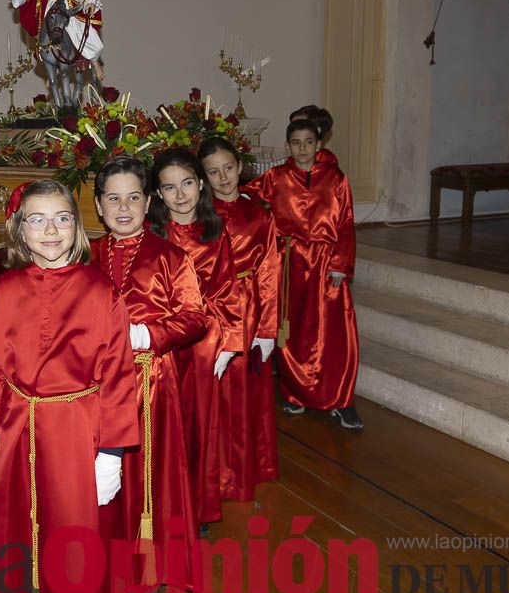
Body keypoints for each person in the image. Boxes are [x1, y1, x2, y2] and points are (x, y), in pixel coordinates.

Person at [0, 180, 137, 593]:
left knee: (74, 533)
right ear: (20, 230)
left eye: (62, 219)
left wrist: (112, 454)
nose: (50, 230)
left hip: (78, 431)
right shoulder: (5, 289)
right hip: (16, 428)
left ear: (77, 227)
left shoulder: (101, 290)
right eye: (37, 220)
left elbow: (119, 373)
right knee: (16, 530)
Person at [90, 157, 206, 593]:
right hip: (95, 386)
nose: (124, 207)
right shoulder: (87, 255)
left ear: (149, 201)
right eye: (113, 198)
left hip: (149, 383)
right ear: (99, 206)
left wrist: (149, 336)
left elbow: (195, 318)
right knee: (99, 476)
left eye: (133, 197)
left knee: (145, 475)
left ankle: (146, 572)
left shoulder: (170, 256)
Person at [146, 148, 244, 536]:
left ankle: (200, 504)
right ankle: (165, 500)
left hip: (203, 345)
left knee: (200, 425)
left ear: (200, 185)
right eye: (169, 187)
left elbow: (227, 292)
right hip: (164, 345)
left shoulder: (213, 232)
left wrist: (227, 343)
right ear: (158, 193)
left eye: (187, 184)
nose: (180, 195)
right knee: (166, 426)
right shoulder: (153, 235)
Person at [243, 119, 362, 430]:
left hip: (326, 264)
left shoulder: (336, 179)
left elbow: (346, 222)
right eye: (296, 142)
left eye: (309, 142)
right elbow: (243, 198)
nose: (302, 148)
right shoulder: (276, 177)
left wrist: (341, 263)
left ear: (319, 144)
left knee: (334, 333)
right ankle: (295, 393)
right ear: (287, 146)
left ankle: (341, 399)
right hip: (289, 263)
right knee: (292, 329)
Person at [198, 137, 281, 500]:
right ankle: (213, 473)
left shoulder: (259, 213)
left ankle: (246, 467)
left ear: (239, 165)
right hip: (213, 310)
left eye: (228, 168)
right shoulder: (200, 215)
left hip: (250, 309)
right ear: (203, 177)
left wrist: (267, 328)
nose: (223, 177)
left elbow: (270, 269)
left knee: (246, 391)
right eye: (213, 171)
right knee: (214, 394)